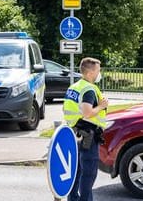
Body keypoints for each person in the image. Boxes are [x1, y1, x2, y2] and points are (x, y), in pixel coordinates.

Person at [63, 57, 109, 201]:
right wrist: (101, 106)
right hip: (88, 135)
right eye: (97, 70)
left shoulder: (74, 87)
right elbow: (87, 112)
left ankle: (73, 198)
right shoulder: (89, 89)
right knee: (88, 173)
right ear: (90, 73)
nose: (99, 73)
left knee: (77, 170)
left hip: (76, 133)